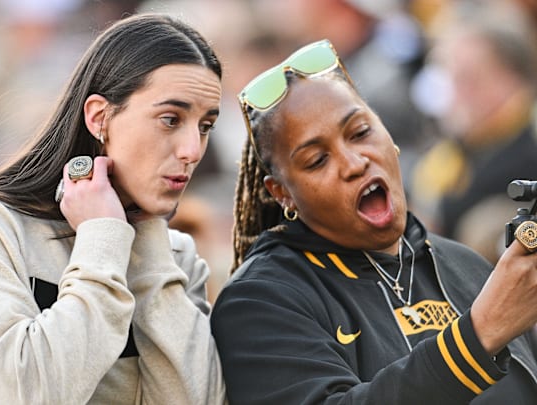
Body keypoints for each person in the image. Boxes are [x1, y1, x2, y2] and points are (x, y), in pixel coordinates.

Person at [0, 13, 226, 404]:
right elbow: (24, 394)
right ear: (99, 117)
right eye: (170, 119)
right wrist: (102, 240)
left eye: (205, 126)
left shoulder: (176, 257)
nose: (192, 150)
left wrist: (147, 244)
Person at [210, 39, 537, 404]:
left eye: (361, 133)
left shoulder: (465, 266)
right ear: (282, 193)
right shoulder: (260, 300)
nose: (354, 163)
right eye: (317, 160)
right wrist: (479, 335)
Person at [409, 0, 537, 263]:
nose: (453, 95)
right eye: (449, 77)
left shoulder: (526, 147)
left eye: (467, 78)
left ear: (509, 78)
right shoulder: (452, 153)